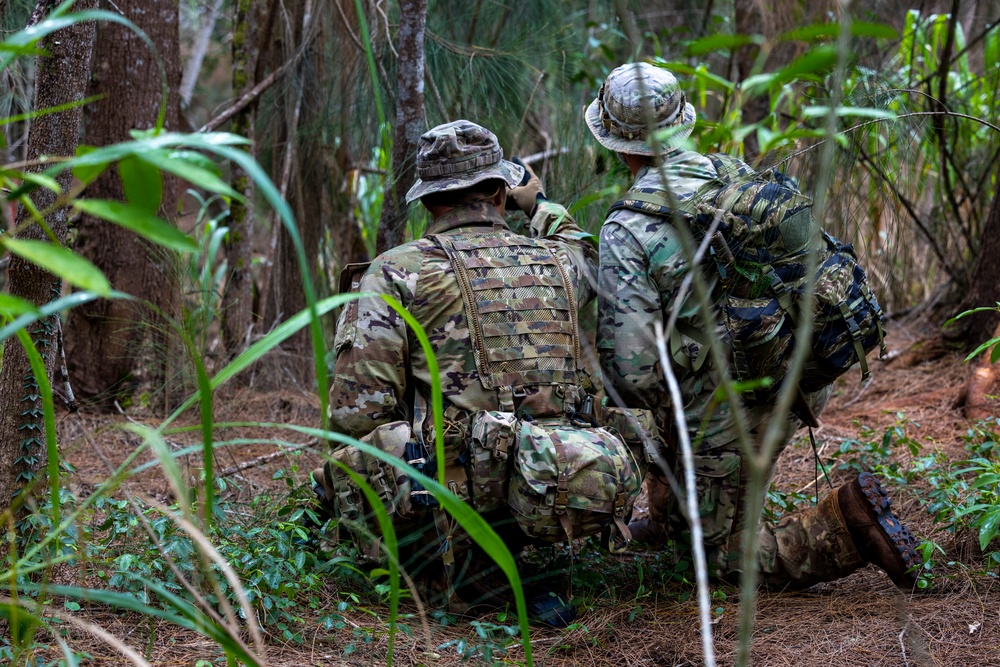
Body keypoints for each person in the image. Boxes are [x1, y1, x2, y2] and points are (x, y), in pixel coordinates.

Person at [587, 62, 921, 589]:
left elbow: (632, 373)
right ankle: (678, 509)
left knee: (723, 563)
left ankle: (849, 525)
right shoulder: (739, 176)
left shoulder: (627, 227)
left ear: (615, 143)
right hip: (800, 377)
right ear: (683, 123)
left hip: (729, 411)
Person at [312, 120, 602, 624]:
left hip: (458, 490)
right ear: (498, 191)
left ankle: (450, 571)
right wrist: (535, 202)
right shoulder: (557, 262)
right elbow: (582, 246)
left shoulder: (398, 269)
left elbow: (355, 415)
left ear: (427, 200)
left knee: (352, 456)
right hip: (564, 477)